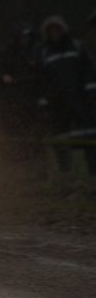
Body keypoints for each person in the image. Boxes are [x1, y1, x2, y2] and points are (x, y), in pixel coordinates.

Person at [36, 15, 96, 190]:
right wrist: (44, 102)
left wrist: (91, 93)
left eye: (57, 29)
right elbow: (42, 79)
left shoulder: (77, 47)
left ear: (63, 30)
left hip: (81, 102)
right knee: (61, 142)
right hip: (57, 106)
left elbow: (88, 70)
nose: (54, 33)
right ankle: (67, 181)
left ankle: (91, 179)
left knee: (88, 139)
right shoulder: (45, 52)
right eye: (51, 30)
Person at [0, 23, 38, 141]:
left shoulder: (35, 52)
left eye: (27, 37)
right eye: (22, 37)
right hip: (11, 100)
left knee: (32, 130)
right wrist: (3, 76)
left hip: (31, 99)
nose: (25, 40)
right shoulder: (6, 53)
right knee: (14, 132)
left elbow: (40, 73)